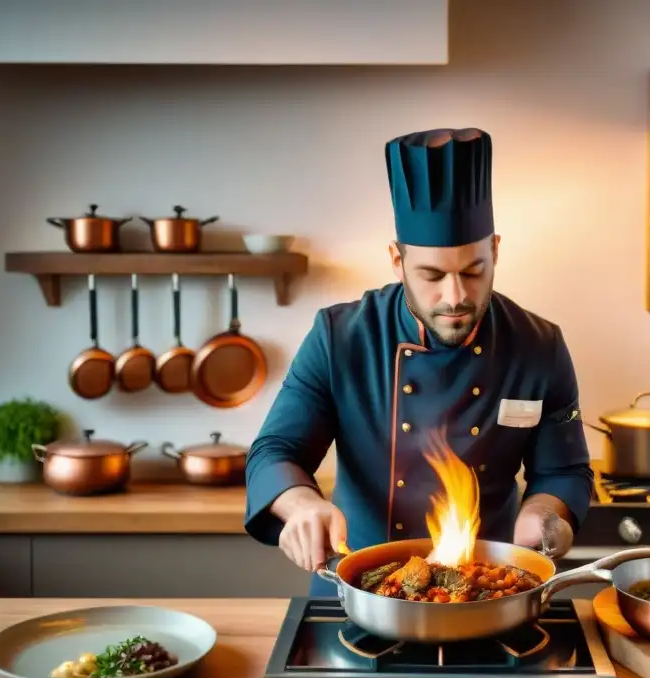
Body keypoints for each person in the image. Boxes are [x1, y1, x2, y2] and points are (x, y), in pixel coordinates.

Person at [244, 127, 593, 597]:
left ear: (495, 251)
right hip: (360, 592)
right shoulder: (340, 337)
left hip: (487, 591)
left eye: (474, 271)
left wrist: (543, 517)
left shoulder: (539, 345)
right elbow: (275, 450)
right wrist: (301, 504)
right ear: (396, 260)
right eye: (431, 275)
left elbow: (563, 472)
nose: (456, 297)